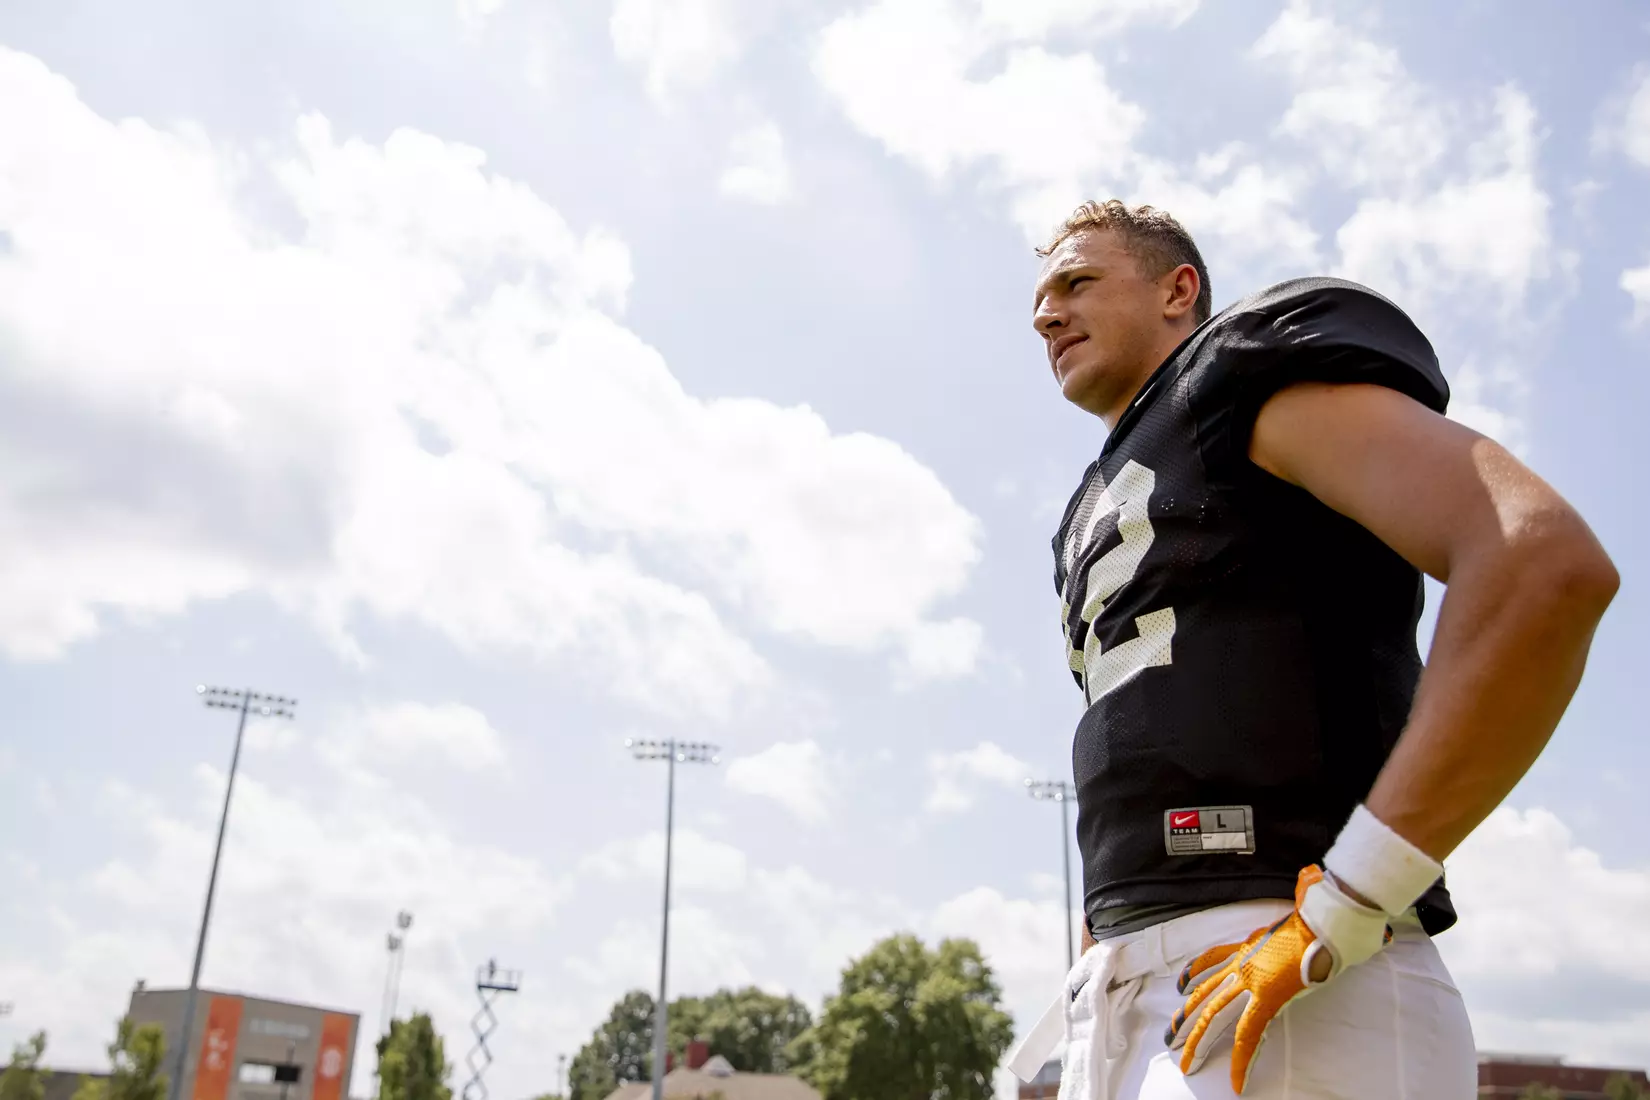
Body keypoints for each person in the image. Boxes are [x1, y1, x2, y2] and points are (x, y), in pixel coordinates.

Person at [1004, 200, 1618, 1100]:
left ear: (1179, 290)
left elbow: (1539, 563)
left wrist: (1351, 902)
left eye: (1076, 282)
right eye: (1039, 301)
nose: (1046, 314)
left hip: (1287, 963)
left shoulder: (1234, 385)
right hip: (1138, 988)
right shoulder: (1101, 498)